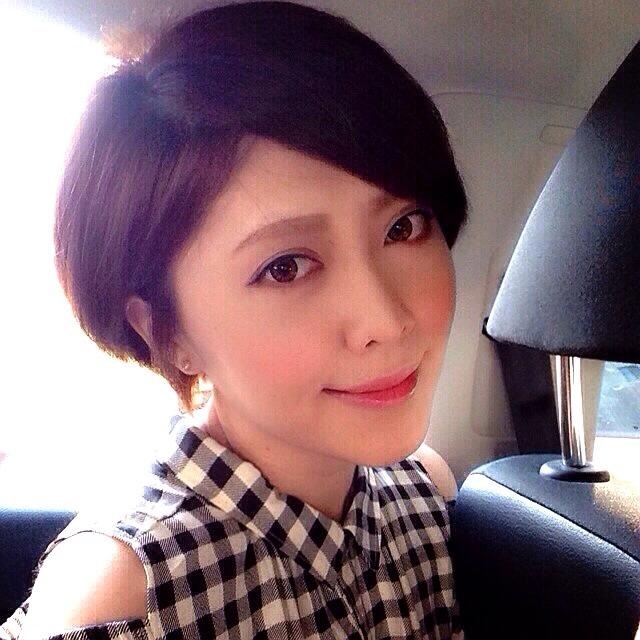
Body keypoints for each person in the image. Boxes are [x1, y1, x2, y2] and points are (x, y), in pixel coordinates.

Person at [0, 1, 468, 638]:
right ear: (167, 333)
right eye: (285, 267)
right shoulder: (126, 591)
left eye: (404, 226)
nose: (384, 320)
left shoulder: (423, 493)